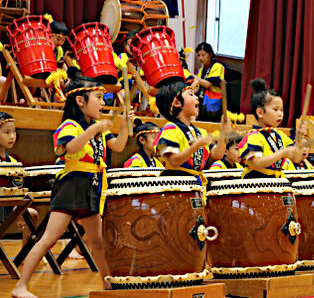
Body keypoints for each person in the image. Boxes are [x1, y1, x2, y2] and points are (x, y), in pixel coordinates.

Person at [12, 75, 133, 298]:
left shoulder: (96, 128)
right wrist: (93, 130)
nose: (103, 103)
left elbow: (119, 145)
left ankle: (108, 286)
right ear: (80, 101)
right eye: (98, 97)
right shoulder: (71, 125)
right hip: (71, 186)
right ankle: (20, 286)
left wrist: (125, 120)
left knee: (97, 242)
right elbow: (70, 147)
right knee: (48, 240)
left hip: (91, 187)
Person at [153, 80, 229, 181]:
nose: (196, 97)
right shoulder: (170, 130)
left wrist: (224, 133)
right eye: (191, 94)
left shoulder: (200, 132)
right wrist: (196, 145)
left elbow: (216, 155)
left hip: (194, 183)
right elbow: (174, 161)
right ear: (177, 102)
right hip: (175, 185)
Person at [238, 78, 303, 178]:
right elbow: (256, 163)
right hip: (256, 184)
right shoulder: (254, 137)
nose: (280, 114)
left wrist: (299, 139)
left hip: (276, 184)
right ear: (260, 112)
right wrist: (281, 153)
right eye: (275, 109)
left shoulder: (280, 136)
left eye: (281, 110)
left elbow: (296, 158)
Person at [0, 113, 38, 245]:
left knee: (31, 215)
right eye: (6, 132)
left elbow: (17, 189)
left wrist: (20, 208)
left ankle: (25, 254)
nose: (12, 136)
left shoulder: (13, 162)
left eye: (14, 132)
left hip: (7, 206)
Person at [192, 42, 225, 122]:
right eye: (198, 55)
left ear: (210, 54)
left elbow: (208, 84)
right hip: (202, 102)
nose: (200, 58)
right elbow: (197, 87)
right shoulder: (200, 70)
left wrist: (194, 77)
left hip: (213, 103)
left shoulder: (218, 66)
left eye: (203, 55)